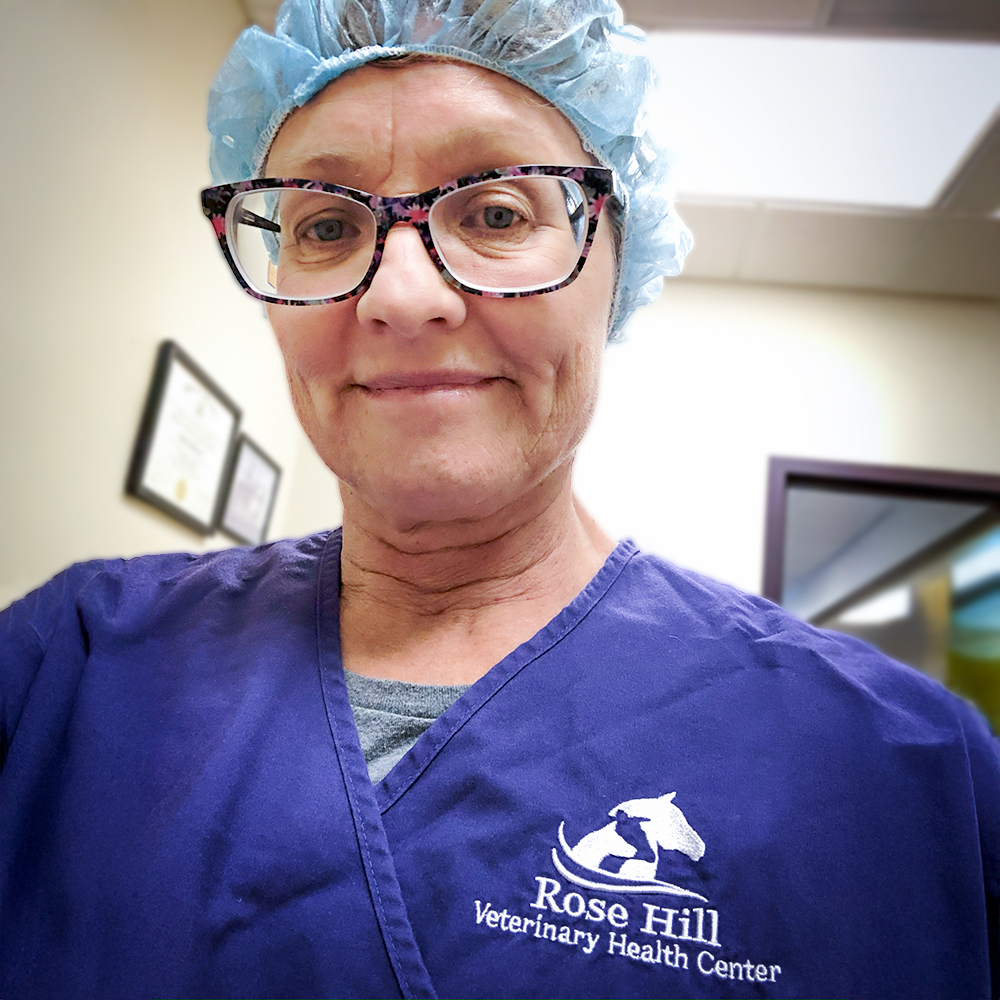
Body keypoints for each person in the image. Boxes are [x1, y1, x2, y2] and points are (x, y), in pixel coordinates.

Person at [1, 1, 997, 998]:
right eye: (327, 224)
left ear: (615, 259)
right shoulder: (64, 670)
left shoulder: (910, 779)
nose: (399, 295)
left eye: (494, 213)